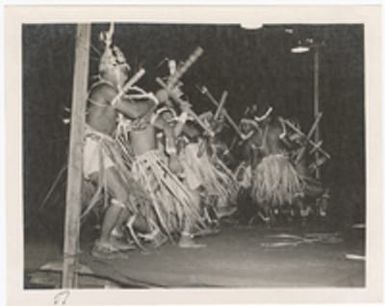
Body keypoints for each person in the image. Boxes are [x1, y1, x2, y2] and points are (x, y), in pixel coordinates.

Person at [83, 40, 157, 258]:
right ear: (113, 70)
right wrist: (153, 100)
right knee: (121, 194)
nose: (126, 76)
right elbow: (134, 110)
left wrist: (128, 124)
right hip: (93, 149)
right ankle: (102, 243)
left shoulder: (107, 92)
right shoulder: (104, 88)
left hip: (101, 149)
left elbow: (123, 119)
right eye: (124, 72)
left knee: (126, 193)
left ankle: (113, 236)